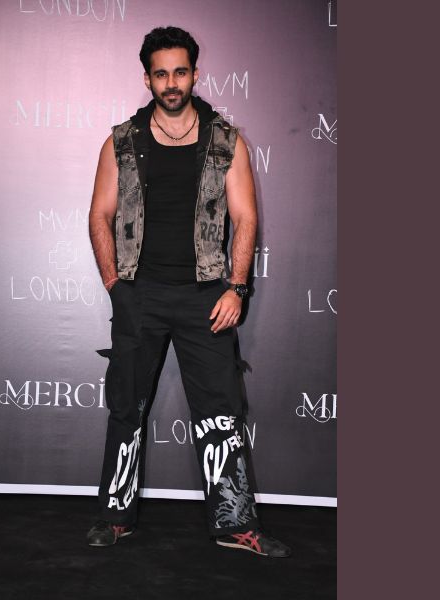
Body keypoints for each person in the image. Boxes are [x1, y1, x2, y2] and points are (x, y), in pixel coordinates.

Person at [86, 26, 290, 558]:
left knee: (221, 412)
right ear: (148, 79)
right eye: (161, 74)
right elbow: (100, 215)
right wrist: (114, 286)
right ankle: (115, 517)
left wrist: (237, 288)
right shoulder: (121, 142)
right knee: (126, 407)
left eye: (180, 71)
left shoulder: (226, 141)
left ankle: (235, 524)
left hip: (206, 297)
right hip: (140, 294)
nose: (172, 83)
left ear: (195, 74)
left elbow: (246, 219)